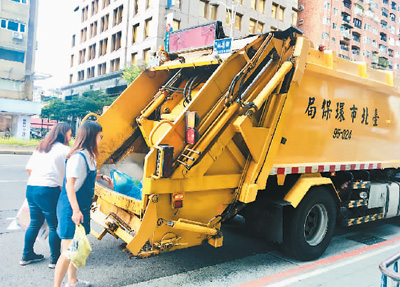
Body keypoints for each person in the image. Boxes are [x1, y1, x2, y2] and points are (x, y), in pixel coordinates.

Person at [54, 121, 112, 287]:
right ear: (92, 136)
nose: (101, 138)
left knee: (75, 248)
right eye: (100, 136)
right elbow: (69, 185)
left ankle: (72, 281)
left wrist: (100, 177)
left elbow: (83, 177)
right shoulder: (79, 157)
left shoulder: (89, 155)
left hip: (80, 207)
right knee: (67, 252)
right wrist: (75, 210)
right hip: (71, 208)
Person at [20, 123, 72, 268]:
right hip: (49, 190)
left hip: (32, 188)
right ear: (63, 134)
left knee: (34, 222)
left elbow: (28, 169)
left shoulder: (41, 147)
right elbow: (67, 176)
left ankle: (26, 255)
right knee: (54, 225)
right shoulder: (65, 150)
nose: (71, 136)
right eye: (69, 133)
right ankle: (55, 260)